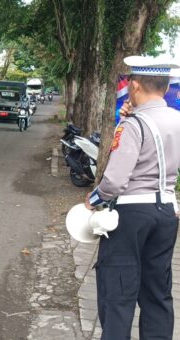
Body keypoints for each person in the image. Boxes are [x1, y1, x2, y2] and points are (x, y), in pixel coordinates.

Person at [84, 56, 180, 339]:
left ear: (135, 86)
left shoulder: (133, 125)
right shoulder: (177, 119)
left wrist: (93, 199)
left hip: (130, 215)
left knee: (118, 293)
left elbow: (114, 181)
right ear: (163, 88)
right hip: (166, 215)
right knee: (157, 294)